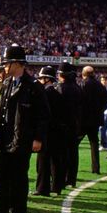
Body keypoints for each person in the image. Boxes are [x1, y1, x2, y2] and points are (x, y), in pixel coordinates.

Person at [0, 44, 49, 213]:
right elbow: (0, 111)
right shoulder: (7, 83)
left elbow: (43, 115)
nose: (4, 66)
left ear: (17, 64)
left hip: (21, 138)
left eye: (7, 63)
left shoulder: (34, 87)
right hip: (3, 138)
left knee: (19, 179)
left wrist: (38, 138)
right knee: (2, 177)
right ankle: (0, 211)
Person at [34, 66, 63, 197]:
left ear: (46, 79)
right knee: (55, 161)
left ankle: (42, 188)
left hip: (47, 131)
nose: (40, 80)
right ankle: (56, 187)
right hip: (57, 131)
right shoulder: (57, 93)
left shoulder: (45, 93)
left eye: (41, 78)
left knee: (43, 161)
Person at [57, 61, 83, 189]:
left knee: (62, 155)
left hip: (63, 125)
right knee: (73, 154)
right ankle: (71, 179)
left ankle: (61, 180)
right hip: (75, 125)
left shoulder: (61, 88)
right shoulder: (77, 87)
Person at [80, 66, 107, 174]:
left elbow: (80, 101)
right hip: (96, 119)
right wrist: (100, 110)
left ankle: (70, 170)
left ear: (83, 74)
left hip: (83, 119)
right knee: (94, 144)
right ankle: (96, 168)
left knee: (74, 143)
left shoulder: (83, 84)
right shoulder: (100, 86)